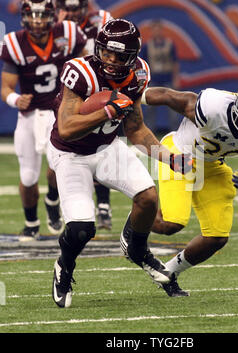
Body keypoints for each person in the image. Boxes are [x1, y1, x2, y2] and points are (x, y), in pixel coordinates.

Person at [49, 18, 192, 308]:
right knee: (81, 229)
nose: (111, 60)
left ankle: (137, 248)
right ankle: (64, 266)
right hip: (70, 154)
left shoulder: (138, 74)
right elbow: (65, 128)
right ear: (98, 48)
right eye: (107, 52)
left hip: (107, 147)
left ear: (133, 57)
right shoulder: (80, 72)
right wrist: (106, 111)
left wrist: (168, 158)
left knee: (149, 199)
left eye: (120, 55)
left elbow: (136, 129)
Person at [141, 75, 238, 297]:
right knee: (171, 223)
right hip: (180, 155)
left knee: (217, 236)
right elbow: (169, 96)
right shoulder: (212, 107)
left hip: (212, 165)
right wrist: (132, 96)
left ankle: (168, 272)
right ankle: (133, 226)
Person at [0, 0, 87, 239]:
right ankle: (31, 223)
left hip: (61, 111)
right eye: (33, 16)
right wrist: (15, 99)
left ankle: (52, 199)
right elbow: (6, 87)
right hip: (29, 115)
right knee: (27, 175)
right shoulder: (14, 43)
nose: (37, 21)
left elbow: (86, 64)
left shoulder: (68, 33)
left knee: (58, 166)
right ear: (25, 17)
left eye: (42, 16)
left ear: (52, 15)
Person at [55, 0, 114, 230]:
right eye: (67, 8)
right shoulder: (57, 28)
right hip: (69, 91)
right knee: (65, 146)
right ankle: (60, 200)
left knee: (105, 145)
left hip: (99, 90)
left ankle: (104, 205)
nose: (71, 12)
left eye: (76, 7)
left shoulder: (101, 21)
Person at [140, 19, 180, 134]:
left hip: (167, 78)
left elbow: (175, 62)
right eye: (154, 29)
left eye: (159, 29)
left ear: (162, 30)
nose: (157, 32)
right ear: (152, 31)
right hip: (154, 79)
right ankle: (148, 132)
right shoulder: (147, 46)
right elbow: (143, 64)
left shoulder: (169, 44)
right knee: (150, 108)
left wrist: (175, 78)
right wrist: (144, 81)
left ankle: (175, 133)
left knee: (174, 108)